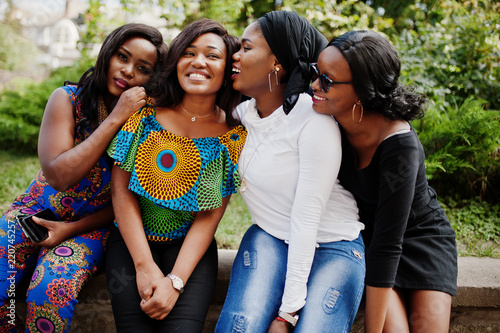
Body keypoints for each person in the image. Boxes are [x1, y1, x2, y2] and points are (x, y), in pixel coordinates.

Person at [0, 23, 166, 332]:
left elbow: (130, 199)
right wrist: (116, 117)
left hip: (91, 229)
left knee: (50, 287)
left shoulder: (149, 125)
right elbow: (58, 175)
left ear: (152, 79)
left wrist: (69, 230)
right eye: (122, 56)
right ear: (108, 54)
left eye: (142, 68)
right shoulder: (67, 99)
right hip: (32, 213)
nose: (128, 71)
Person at [215, 11, 366, 333]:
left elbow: (306, 218)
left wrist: (287, 313)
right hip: (270, 235)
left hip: (332, 243)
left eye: (246, 48)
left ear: (276, 63)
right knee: (241, 326)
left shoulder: (314, 121)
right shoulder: (244, 113)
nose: (235, 57)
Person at [311, 30, 458, 333]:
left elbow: (389, 244)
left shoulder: (398, 144)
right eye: (316, 73)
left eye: (326, 80)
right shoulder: (326, 119)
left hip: (420, 240)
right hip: (366, 240)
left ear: (363, 90)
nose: (314, 85)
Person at [105, 18, 246, 332]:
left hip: (190, 251)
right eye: (189, 52)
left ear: (227, 70)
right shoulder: (143, 115)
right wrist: (144, 267)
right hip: (130, 245)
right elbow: (121, 192)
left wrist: (176, 281)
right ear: (176, 60)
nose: (198, 62)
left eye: (212, 55)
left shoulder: (234, 136)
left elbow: (210, 215)